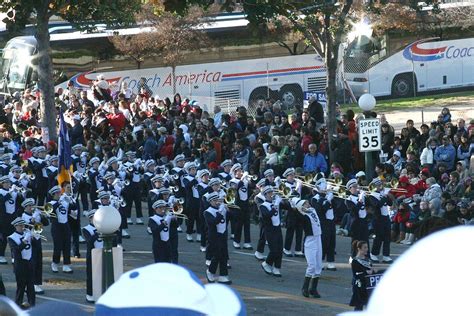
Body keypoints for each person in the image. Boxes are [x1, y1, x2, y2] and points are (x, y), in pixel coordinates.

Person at [295, 199, 323, 298]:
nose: (308, 204)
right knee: (312, 265)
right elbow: (297, 214)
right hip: (310, 240)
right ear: (301, 207)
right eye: (305, 204)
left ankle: (313, 289)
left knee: (319, 265)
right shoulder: (302, 216)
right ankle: (305, 287)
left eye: (307, 202)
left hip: (318, 238)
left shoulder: (312, 210)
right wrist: (296, 207)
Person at [21, 198, 49, 295]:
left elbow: (46, 223)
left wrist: (42, 215)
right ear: (25, 207)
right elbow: (26, 228)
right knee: (31, 264)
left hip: (37, 240)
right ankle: (29, 284)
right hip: (29, 242)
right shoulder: (23, 216)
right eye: (29, 206)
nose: (31, 207)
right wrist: (33, 218)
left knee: (38, 262)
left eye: (32, 205)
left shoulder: (36, 215)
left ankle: (36, 283)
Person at [8, 217, 36, 308]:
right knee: (21, 287)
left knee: (31, 286)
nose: (22, 227)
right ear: (16, 226)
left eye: (23, 225)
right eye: (20, 225)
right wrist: (25, 240)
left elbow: (34, 246)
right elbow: (16, 251)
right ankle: (17, 305)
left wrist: (35, 237)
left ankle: (32, 305)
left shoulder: (27, 234)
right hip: (20, 265)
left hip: (29, 262)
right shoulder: (11, 237)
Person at [204, 192, 231, 284]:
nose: (217, 202)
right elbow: (213, 222)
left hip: (223, 235)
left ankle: (223, 275)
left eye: (218, 200)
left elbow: (230, 219)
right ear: (210, 201)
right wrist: (220, 211)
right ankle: (210, 271)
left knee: (224, 256)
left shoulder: (221, 209)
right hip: (214, 237)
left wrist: (228, 211)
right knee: (216, 256)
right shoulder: (207, 212)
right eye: (215, 200)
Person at [368, 178, 393, 264]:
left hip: (386, 217)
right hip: (378, 219)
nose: (380, 187)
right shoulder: (372, 196)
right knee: (379, 237)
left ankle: (386, 255)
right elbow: (377, 205)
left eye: (380, 185)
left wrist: (387, 196)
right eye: (378, 185)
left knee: (387, 237)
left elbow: (390, 204)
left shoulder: (382, 194)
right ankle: (374, 253)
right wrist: (384, 196)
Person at [260, 186, 283, 277]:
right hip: (270, 229)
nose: (271, 194)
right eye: (269, 193)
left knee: (280, 249)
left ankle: (277, 268)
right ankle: (266, 263)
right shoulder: (263, 206)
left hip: (277, 227)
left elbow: (286, 207)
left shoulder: (275, 202)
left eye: (271, 193)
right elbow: (267, 215)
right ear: (265, 195)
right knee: (274, 250)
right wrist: (276, 205)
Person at [49, 185, 73, 273]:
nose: (59, 194)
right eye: (57, 193)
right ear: (53, 194)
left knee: (67, 246)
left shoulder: (64, 201)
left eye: (59, 192)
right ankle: (55, 263)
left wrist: (72, 202)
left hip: (65, 225)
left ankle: (66, 265)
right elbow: (49, 212)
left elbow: (72, 211)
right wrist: (58, 202)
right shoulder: (51, 203)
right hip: (56, 227)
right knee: (58, 246)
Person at [82, 209, 103, 303]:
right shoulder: (86, 229)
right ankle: (89, 294)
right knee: (91, 275)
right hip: (92, 255)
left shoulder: (104, 226)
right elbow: (89, 242)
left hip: (103, 252)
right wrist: (97, 233)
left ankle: (101, 292)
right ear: (90, 219)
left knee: (103, 274)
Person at [349, 240, 376, 311]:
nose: (367, 249)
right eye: (365, 247)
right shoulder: (355, 261)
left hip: (367, 285)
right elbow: (356, 275)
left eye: (367, 247)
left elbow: (371, 272)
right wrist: (366, 273)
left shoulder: (368, 260)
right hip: (359, 286)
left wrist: (373, 272)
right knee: (358, 306)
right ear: (359, 249)